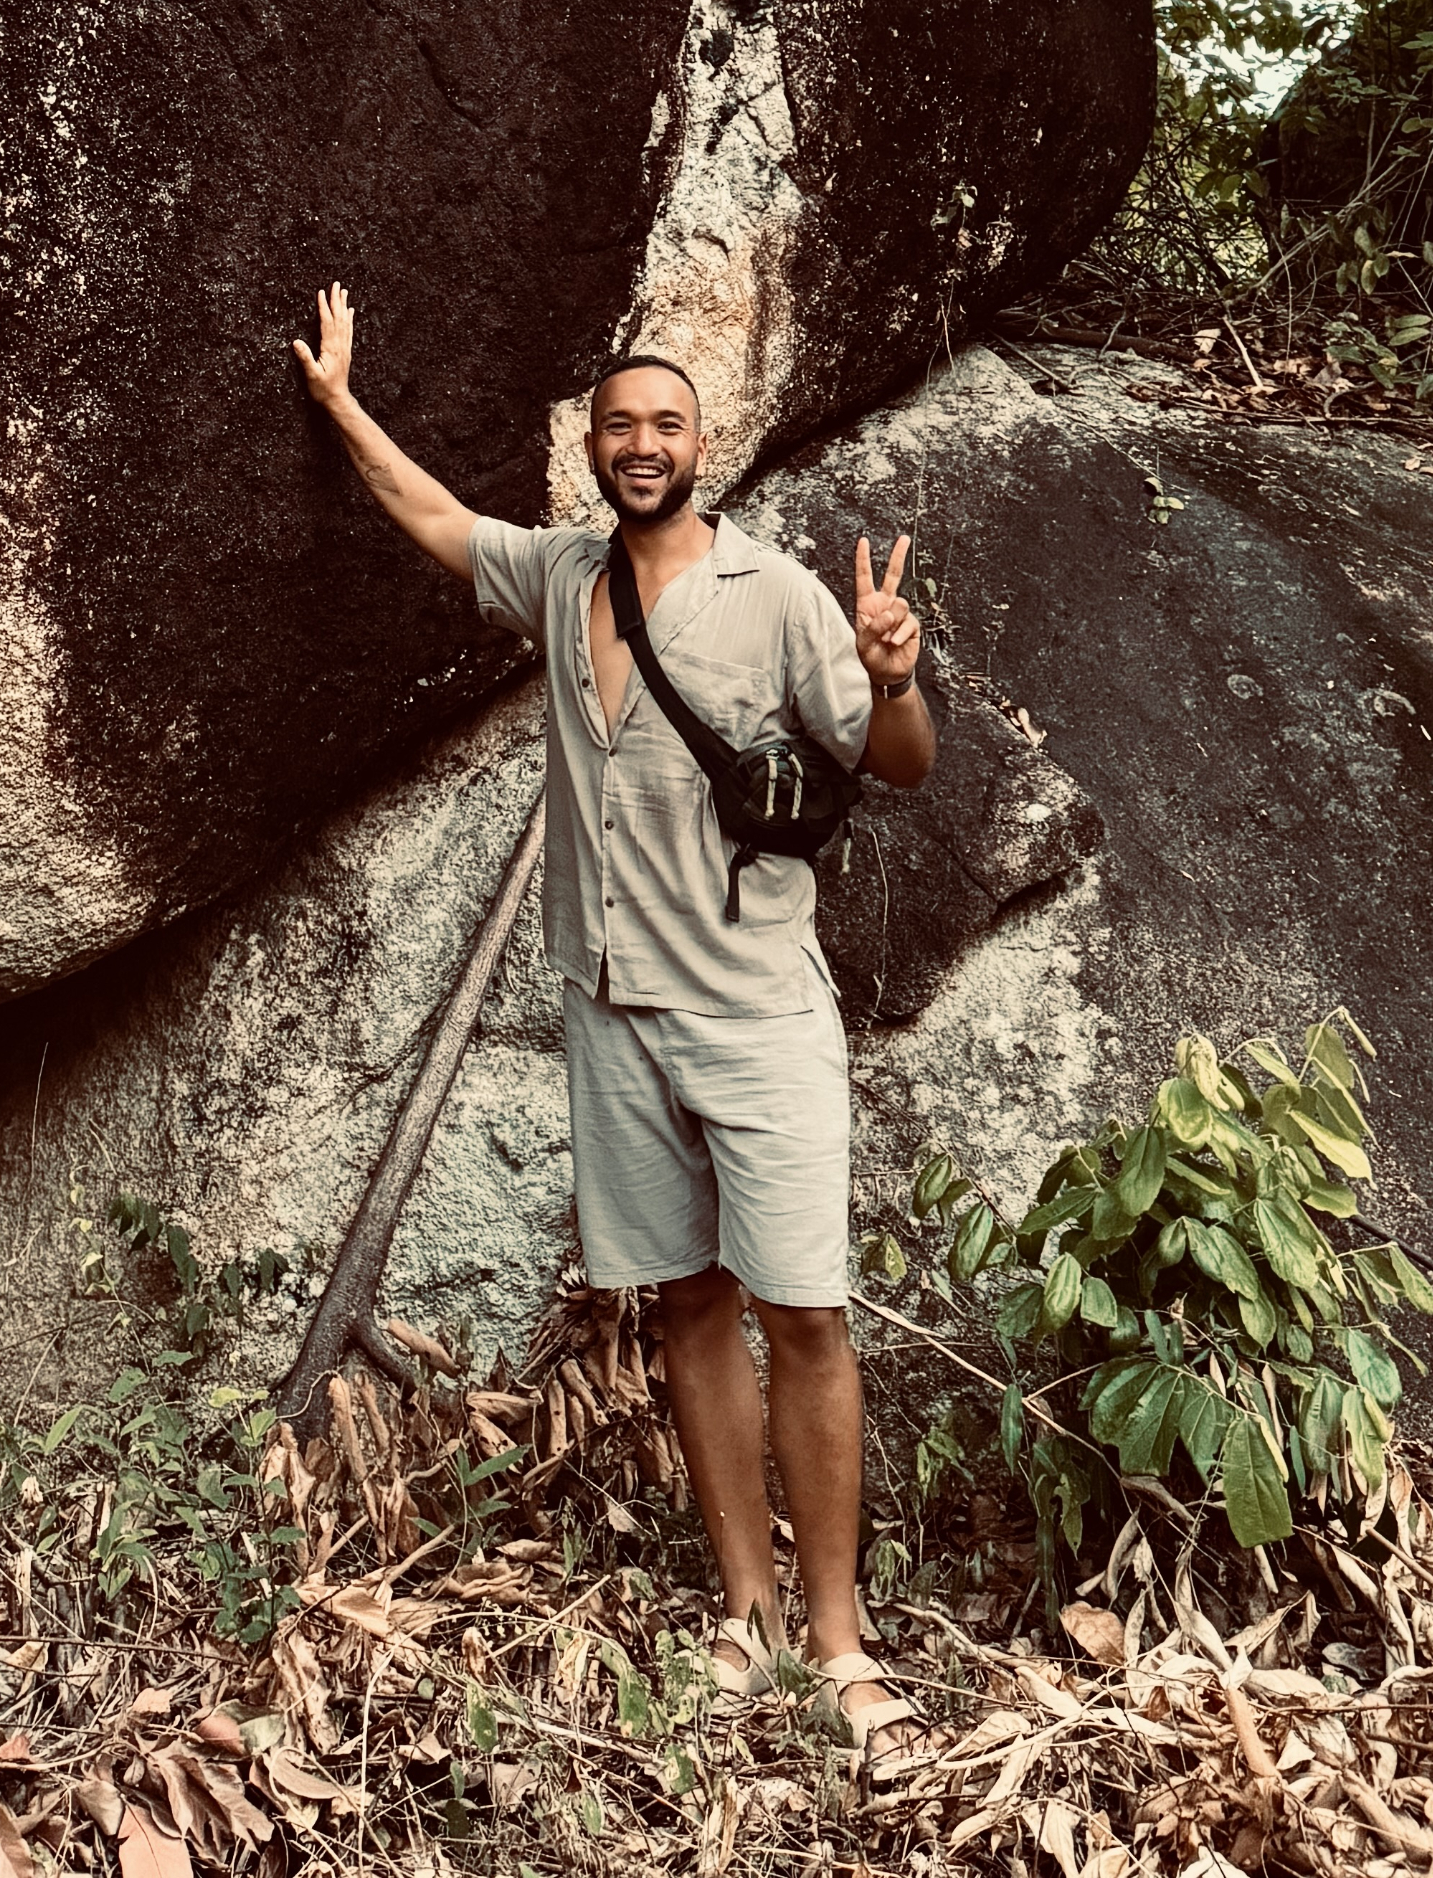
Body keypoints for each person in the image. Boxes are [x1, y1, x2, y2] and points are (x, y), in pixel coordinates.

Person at [291, 280, 937, 1779]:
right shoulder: (564, 572)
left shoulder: (774, 594)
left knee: (808, 1314)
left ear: (707, 445)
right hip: (611, 1015)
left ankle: (840, 1644)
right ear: (590, 446)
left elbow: (896, 763)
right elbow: (441, 521)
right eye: (620, 425)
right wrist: (335, 406)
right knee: (691, 1307)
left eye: (668, 424)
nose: (642, 444)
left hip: (754, 1011)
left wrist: (897, 671)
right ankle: (752, 1615)